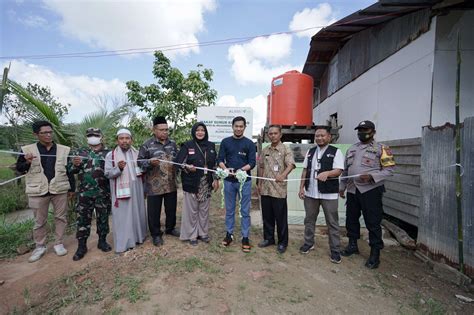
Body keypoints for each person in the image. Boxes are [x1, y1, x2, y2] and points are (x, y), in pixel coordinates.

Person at [16, 120, 75, 263]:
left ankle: (59, 243)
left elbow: (70, 171)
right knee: (39, 221)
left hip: (59, 189)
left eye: (50, 132)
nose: (48, 135)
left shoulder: (64, 150)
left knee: (61, 218)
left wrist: (72, 188)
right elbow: (20, 169)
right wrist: (27, 162)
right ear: (36, 134)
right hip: (38, 191)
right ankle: (40, 246)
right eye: (44, 133)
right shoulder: (26, 150)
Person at [339, 120, 395, 269]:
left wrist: (372, 176)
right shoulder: (352, 149)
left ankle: (375, 254)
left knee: (373, 222)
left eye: (365, 130)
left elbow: (389, 171)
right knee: (351, 219)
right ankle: (352, 245)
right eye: (359, 130)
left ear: (373, 132)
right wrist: (342, 187)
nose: (361, 133)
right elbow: (345, 171)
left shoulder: (382, 149)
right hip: (352, 190)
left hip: (371, 191)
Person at [298, 126, 344, 263]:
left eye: (322, 135)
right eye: (317, 136)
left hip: (329, 194)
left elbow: (339, 170)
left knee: (332, 222)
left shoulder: (335, 152)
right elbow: (305, 171)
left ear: (329, 137)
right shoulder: (311, 152)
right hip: (311, 192)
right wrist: (301, 188)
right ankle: (308, 243)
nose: (319, 138)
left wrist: (328, 174)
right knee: (309, 220)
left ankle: (335, 250)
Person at [68, 128, 112, 261]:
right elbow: (70, 170)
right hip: (84, 193)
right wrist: (75, 165)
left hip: (103, 192)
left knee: (103, 217)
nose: (93, 137)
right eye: (90, 135)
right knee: (82, 219)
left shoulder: (108, 153)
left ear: (101, 137)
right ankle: (82, 246)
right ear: (87, 138)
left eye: (96, 135)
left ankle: (102, 241)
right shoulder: (79, 152)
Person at [174, 122, 219, 245]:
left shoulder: (211, 146)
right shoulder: (187, 145)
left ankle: (203, 233)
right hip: (191, 182)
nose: (200, 132)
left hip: (206, 182)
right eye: (197, 130)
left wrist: (216, 179)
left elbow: (214, 165)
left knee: (204, 209)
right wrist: (187, 167)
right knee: (191, 210)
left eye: (202, 130)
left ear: (205, 132)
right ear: (194, 132)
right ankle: (191, 235)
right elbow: (178, 163)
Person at [138, 116, 179, 247]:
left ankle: (170, 228)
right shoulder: (147, 144)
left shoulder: (172, 144)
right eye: (162, 130)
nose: (165, 132)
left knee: (171, 209)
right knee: (154, 211)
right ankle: (156, 234)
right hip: (153, 186)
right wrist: (149, 163)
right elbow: (139, 162)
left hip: (170, 184)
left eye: (167, 130)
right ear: (154, 130)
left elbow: (178, 160)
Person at [104, 128, 147, 253]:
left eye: (127, 138)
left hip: (137, 189)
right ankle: (124, 243)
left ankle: (138, 238)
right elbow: (108, 174)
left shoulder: (137, 153)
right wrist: (118, 168)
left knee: (137, 213)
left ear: (131, 140)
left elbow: (143, 169)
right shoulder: (111, 155)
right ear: (117, 140)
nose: (124, 141)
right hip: (122, 191)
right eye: (121, 138)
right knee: (123, 218)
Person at [218, 116, 256, 252]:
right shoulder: (225, 142)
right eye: (236, 126)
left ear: (244, 127)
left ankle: (245, 237)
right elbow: (220, 159)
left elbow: (252, 162)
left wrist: (241, 170)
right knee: (230, 210)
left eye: (241, 126)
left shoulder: (250, 144)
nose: (239, 128)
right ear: (232, 127)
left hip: (244, 182)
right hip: (229, 182)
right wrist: (225, 169)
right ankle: (229, 234)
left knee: (245, 211)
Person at [257, 125, 295, 254]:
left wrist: (283, 175)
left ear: (280, 135)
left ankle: (282, 242)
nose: (273, 135)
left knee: (280, 218)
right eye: (270, 133)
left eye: (275, 133)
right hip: (266, 189)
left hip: (279, 190)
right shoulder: (265, 149)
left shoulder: (285, 149)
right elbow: (261, 166)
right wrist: (259, 182)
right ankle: (269, 239)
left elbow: (291, 165)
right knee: (267, 216)